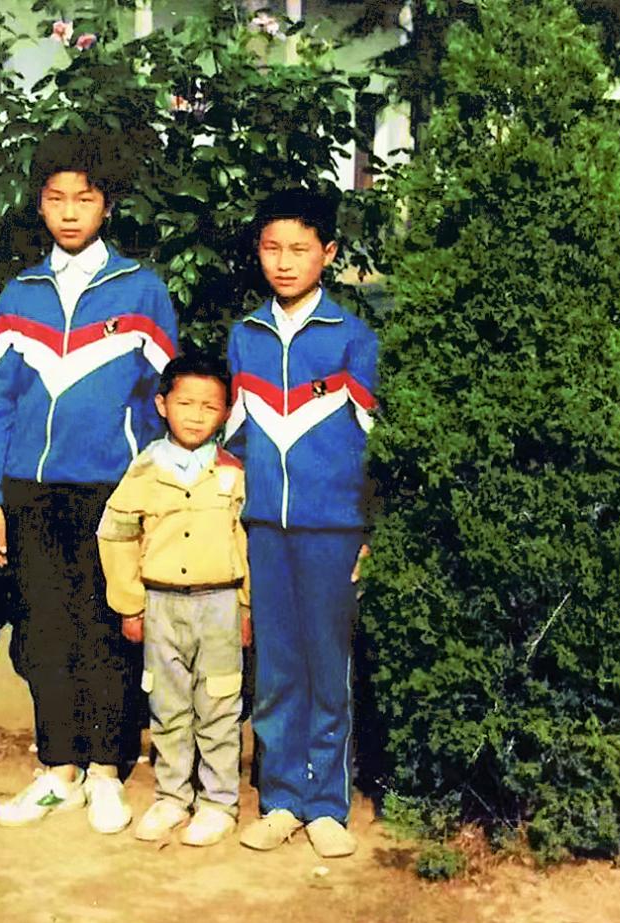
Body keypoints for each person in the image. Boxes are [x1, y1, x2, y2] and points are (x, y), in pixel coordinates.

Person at [0, 131, 178, 834]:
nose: (69, 212)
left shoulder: (141, 290)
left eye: (84, 199)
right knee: (43, 630)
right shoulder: (18, 295)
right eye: (56, 198)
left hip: (110, 493)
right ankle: (58, 768)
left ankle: (105, 771)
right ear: (39, 205)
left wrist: (151, 495)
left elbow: (163, 402)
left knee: (105, 629)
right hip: (30, 493)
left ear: (106, 206)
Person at [225, 188, 379, 859]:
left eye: (299, 249)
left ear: (328, 253)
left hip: (332, 530)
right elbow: (234, 440)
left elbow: (375, 445)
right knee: (276, 666)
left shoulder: (353, 338)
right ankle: (281, 797)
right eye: (271, 248)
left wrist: (370, 528)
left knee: (327, 664)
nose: (283, 262)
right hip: (265, 528)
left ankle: (325, 804)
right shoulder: (244, 336)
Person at [97, 352, 251, 847]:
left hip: (219, 604)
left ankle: (218, 803)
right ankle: (171, 797)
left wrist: (246, 606)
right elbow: (116, 535)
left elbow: (246, 541)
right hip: (161, 606)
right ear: (162, 405)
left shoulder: (233, 473)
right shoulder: (143, 471)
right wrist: (130, 604)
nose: (196, 415)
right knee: (168, 706)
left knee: (219, 705)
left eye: (210, 406)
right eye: (185, 403)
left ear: (226, 412)